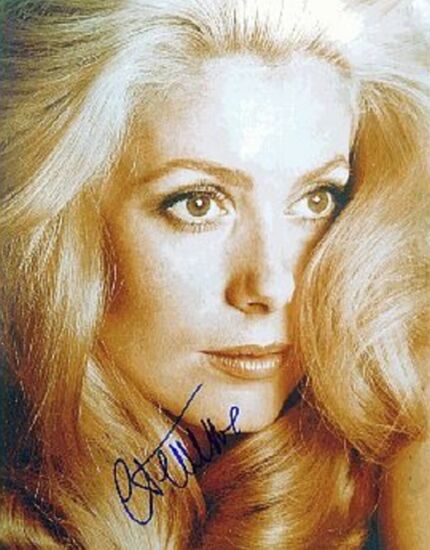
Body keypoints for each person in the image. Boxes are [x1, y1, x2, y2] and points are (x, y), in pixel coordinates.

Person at [1, 1, 429, 548]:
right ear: (67, 225)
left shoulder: (403, 442)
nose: (272, 287)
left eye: (317, 199)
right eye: (198, 203)